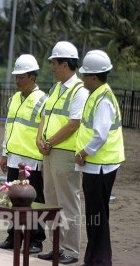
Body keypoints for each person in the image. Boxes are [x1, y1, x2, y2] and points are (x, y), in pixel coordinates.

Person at [36, 41, 89, 264]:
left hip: (65, 154)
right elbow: (45, 116)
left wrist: (48, 142)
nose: (52, 67)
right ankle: (56, 247)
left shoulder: (79, 90)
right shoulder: (56, 88)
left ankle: (71, 250)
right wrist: (39, 139)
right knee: (51, 201)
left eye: (54, 63)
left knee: (68, 203)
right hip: (49, 152)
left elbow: (73, 124)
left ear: (65, 64)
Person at [0, 54, 47, 254]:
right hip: (14, 158)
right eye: (16, 76)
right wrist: (4, 153)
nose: (17, 80)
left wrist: (43, 163)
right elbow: (9, 127)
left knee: (35, 200)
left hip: (33, 160)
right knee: (13, 199)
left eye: (21, 77)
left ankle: (36, 240)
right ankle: (13, 237)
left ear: (32, 77)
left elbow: (44, 132)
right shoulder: (14, 98)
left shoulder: (43, 100)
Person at [75, 50, 125, 266]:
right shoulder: (98, 94)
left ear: (93, 77)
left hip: (101, 166)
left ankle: (100, 260)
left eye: (85, 74)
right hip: (97, 166)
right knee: (95, 216)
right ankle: (94, 258)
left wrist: (83, 153)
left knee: (98, 217)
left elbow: (101, 135)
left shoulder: (102, 99)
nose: (82, 78)